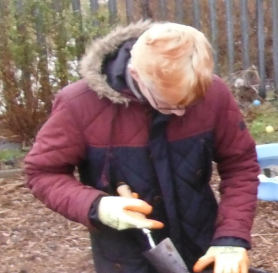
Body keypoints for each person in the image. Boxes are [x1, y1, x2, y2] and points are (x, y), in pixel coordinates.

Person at [23, 21, 260, 273]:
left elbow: (241, 165)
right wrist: (97, 207)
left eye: (190, 104)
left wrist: (231, 236)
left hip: (203, 251)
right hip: (126, 260)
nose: (181, 112)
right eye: (170, 105)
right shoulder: (79, 104)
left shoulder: (214, 93)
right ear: (136, 74)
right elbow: (43, 172)